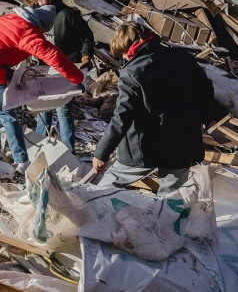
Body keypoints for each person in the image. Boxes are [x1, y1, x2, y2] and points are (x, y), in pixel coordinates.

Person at [92, 21, 226, 196]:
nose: (124, 58)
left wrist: (101, 153)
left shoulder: (132, 73)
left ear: (129, 47)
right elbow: (206, 89)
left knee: (110, 183)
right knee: (172, 198)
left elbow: (122, 116)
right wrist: (204, 118)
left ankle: (91, 213)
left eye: (123, 53)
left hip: (143, 148)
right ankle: (165, 222)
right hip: (182, 143)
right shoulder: (182, 57)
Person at [0, 6, 84, 167]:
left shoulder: (8, 18)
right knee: (8, 115)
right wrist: (77, 78)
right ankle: (22, 161)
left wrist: (5, 69)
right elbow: (52, 55)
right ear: (41, 25)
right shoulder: (28, 31)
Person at [33, 0, 95, 153]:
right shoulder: (34, 13)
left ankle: (68, 151)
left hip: (64, 68)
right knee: (42, 108)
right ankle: (39, 148)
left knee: (63, 110)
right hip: (42, 68)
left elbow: (87, 36)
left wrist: (85, 57)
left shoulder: (67, 14)